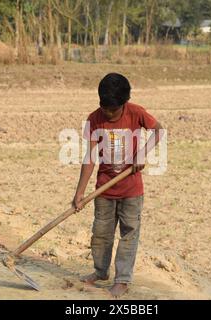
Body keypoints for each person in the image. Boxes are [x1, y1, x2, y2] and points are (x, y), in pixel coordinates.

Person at [72, 73, 164, 298]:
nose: (109, 114)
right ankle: (100, 272)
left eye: (114, 110)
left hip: (132, 190)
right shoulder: (93, 119)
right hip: (104, 188)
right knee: (101, 233)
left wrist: (142, 153)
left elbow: (158, 130)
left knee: (129, 234)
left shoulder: (136, 112)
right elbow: (90, 157)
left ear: (124, 103)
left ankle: (122, 280)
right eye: (105, 108)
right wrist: (80, 192)